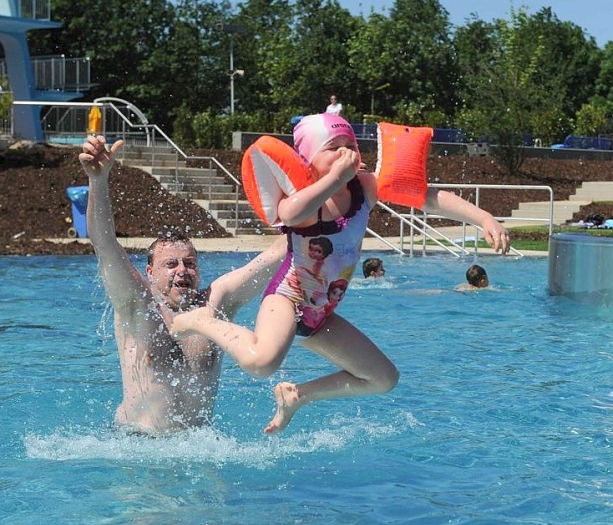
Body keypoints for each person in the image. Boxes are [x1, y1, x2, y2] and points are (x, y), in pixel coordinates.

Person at [171, 113, 511, 433]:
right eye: (333, 148)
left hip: (322, 312)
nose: (345, 153)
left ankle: (298, 396)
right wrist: (333, 180)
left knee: (382, 378)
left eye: (350, 146)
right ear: (308, 160)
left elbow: (428, 196)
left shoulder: (365, 189)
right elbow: (288, 214)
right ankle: (201, 320)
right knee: (262, 363)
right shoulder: (308, 202)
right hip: (288, 298)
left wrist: (483, 218)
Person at [79, 135, 285, 436]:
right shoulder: (136, 302)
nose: (182, 271)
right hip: (136, 444)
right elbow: (104, 244)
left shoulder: (216, 303)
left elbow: (275, 257)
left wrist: (330, 204)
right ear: (150, 272)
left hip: (198, 444)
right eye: (170, 264)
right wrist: (98, 181)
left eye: (189, 263)